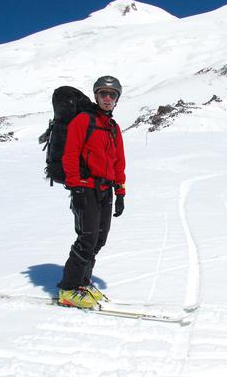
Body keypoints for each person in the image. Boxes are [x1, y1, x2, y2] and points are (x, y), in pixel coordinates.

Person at [57, 76, 126, 308]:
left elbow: (119, 162)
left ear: (117, 99)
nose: (108, 98)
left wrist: (121, 191)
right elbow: (70, 154)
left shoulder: (113, 128)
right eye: (103, 94)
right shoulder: (83, 120)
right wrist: (75, 186)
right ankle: (68, 289)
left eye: (112, 94)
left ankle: (82, 283)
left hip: (106, 190)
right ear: (96, 96)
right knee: (86, 238)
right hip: (85, 188)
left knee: (99, 239)